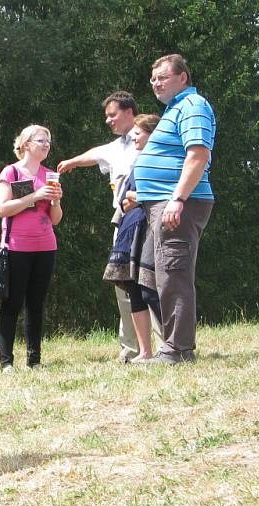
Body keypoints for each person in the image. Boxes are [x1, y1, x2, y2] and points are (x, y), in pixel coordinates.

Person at [57, 91, 162, 362]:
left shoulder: (154, 139)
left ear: (129, 112)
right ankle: (132, 348)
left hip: (150, 220)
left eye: (113, 115)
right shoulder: (116, 147)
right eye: (106, 116)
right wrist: (72, 162)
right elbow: (95, 154)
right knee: (125, 286)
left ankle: (165, 347)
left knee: (153, 283)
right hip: (124, 222)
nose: (108, 121)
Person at [134, 54, 216, 365]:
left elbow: (198, 155)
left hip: (179, 204)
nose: (156, 83)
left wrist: (178, 199)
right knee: (162, 275)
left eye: (163, 78)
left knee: (174, 275)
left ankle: (178, 350)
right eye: (153, 79)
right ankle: (172, 346)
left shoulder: (193, 106)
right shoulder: (175, 109)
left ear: (183, 78)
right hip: (164, 204)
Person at [0, 125, 63, 371]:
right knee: (12, 304)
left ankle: (34, 361)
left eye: (49, 140)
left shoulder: (49, 174)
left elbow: (56, 219)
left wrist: (55, 201)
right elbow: (2, 209)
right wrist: (34, 196)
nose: (46, 144)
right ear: (26, 144)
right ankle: (7, 362)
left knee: (36, 304)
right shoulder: (11, 172)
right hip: (16, 247)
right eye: (41, 140)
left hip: (46, 247)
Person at [102, 114, 162, 361]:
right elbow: (125, 199)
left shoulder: (162, 159)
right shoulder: (138, 162)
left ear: (152, 134)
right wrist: (132, 199)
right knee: (134, 288)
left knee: (152, 288)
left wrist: (137, 198)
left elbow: (162, 193)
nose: (134, 138)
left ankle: (169, 346)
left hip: (151, 229)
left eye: (138, 133)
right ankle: (145, 351)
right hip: (131, 229)